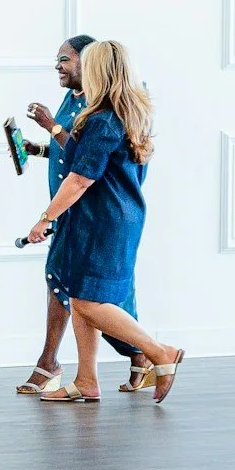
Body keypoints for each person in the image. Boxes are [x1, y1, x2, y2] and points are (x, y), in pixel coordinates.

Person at [22, 40, 186, 404]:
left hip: (102, 220)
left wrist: (45, 218)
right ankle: (86, 380)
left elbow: (81, 177)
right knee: (80, 298)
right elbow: (79, 154)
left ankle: (160, 353)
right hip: (109, 217)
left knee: (91, 302)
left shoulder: (103, 119)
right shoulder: (120, 112)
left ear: (100, 70)